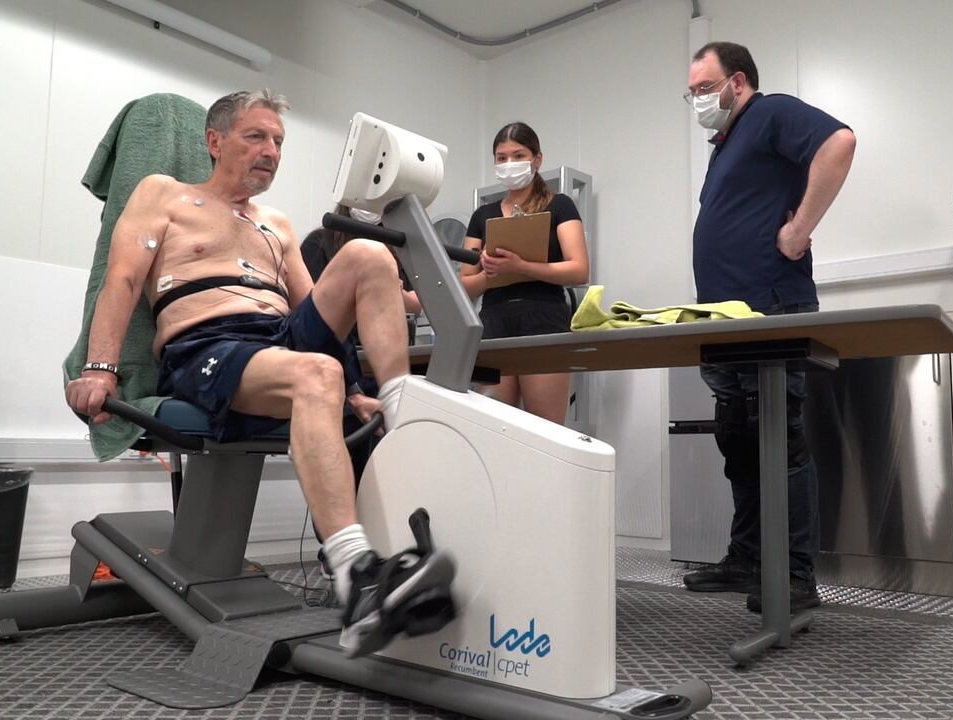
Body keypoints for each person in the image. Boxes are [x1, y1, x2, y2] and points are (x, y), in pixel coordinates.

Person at [64, 89, 452, 656]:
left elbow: (316, 311)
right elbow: (120, 279)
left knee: (370, 256)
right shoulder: (164, 195)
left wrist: (357, 392)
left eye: (278, 141)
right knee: (316, 375)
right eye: (255, 136)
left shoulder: (277, 224)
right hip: (209, 344)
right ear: (214, 141)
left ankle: (403, 413)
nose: (270, 151)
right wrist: (100, 368)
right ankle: (356, 575)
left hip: (279, 336)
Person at [680, 43, 856, 613]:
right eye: (692, 92)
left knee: (780, 438)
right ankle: (748, 557)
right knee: (738, 436)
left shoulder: (770, 111)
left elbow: (839, 142)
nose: (698, 99)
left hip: (769, 305)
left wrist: (798, 231)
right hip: (722, 317)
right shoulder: (726, 145)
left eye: (705, 88)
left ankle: (796, 575)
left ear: (737, 82)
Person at [460, 122, 589, 423]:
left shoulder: (560, 205)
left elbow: (579, 270)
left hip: (544, 319)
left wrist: (521, 267)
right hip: (494, 321)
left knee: (546, 428)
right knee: (494, 427)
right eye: (501, 158)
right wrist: (490, 275)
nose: (509, 164)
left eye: (518, 156)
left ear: (537, 159)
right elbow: (464, 285)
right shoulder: (482, 216)